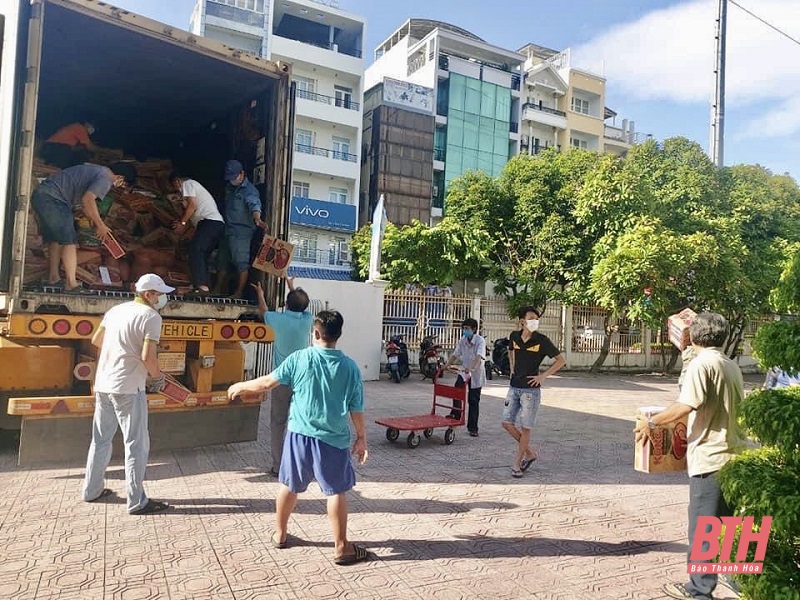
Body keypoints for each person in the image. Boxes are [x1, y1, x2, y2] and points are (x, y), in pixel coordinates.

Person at [228, 311, 369, 565]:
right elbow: (356, 407)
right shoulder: (350, 367)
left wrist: (241, 385)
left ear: (315, 333)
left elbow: (268, 383)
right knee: (336, 491)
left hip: (299, 435)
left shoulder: (299, 358)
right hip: (333, 439)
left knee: (289, 485)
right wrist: (361, 437)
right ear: (339, 334)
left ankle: (280, 534)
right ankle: (341, 547)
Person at [633, 312, 745, 600]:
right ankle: (741, 582)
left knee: (703, 530)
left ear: (693, 335)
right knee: (730, 526)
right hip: (735, 456)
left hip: (711, 457)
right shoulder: (730, 365)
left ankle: (699, 591)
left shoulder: (702, 363)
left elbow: (686, 404)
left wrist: (653, 422)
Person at [82, 273, 174, 515]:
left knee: (100, 440)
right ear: (148, 295)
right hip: (128, 387)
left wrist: (120, 350)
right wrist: (158, 377)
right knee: (136, 444)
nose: (162, 298)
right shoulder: (151, 317)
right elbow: (147, 356)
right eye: (160, 293)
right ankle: (136, 501)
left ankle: (91, 491)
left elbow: (96, 340)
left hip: (103, 383)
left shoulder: (115, 311)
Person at [31, 162, 137, 293]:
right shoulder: (106, 178)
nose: (120, 187)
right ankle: (72, 284)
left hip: (43, 196)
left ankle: (54, 277)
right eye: (123, 184)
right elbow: (88, 200)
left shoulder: (97, 170)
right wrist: (100, 225)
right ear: (120, 177)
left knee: (56, 239)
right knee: (69, 241)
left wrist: (93, 220)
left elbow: (84, 203)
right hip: (55, 199)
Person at [252, 277, 313, 475]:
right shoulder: (307, 320)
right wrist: (292, 288)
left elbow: (263, 312)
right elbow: (300, 306)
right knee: (301, 423)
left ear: (286, 304)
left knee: (278, 423)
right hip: (302, 381)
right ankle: (301, 464)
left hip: (281, 381)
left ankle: (278, 466)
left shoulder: (277, 319)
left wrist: (261, 294)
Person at [503, 306, 566, 478]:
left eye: (536, 319)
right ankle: (530, 452)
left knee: (525, 427)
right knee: (507, 423)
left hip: (530, 391)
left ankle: (518, 461)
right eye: (531, 318)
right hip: (514, 386)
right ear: (522, 321)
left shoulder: (542, 340)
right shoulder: (514, 336)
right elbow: (510, 351)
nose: (534, 321)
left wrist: (543, 376)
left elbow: (561, 361)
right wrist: (512, 367)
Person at [214, 160, 267, 299]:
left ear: (242, 174)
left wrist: (257, 219)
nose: (232, 180)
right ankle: (217, 289)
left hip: (241, 233)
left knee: (241, 263)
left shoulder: (249, 191)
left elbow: (254, 205)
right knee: (222, 260)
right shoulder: (229, 188)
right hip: (227, 230)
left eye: (233, 177)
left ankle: (239, 292)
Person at [169, 173, 225, 294]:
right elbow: (192, 217)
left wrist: (182, 223)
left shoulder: (188, 184)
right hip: (214, 225)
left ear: (178, 181)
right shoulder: (193, 190)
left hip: (210, 222)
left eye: (175, 187)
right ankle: (203, 286)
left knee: (196, 250)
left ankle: (202, 287)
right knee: (201, 256)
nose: (177, 190)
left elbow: (192, 206)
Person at [444, 318, 486, 437]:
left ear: (474, 329)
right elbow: (456, 354)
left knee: (473, 400)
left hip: (476, 372)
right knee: (456, 391)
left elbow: (479, 356)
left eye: (467, 329)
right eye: (464, 328)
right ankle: (456, 414)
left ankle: (473, 428)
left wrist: (472, 368)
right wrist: (446, 365)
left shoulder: (480, 341)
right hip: (464, 371)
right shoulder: (463, 340)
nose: (464, 330)